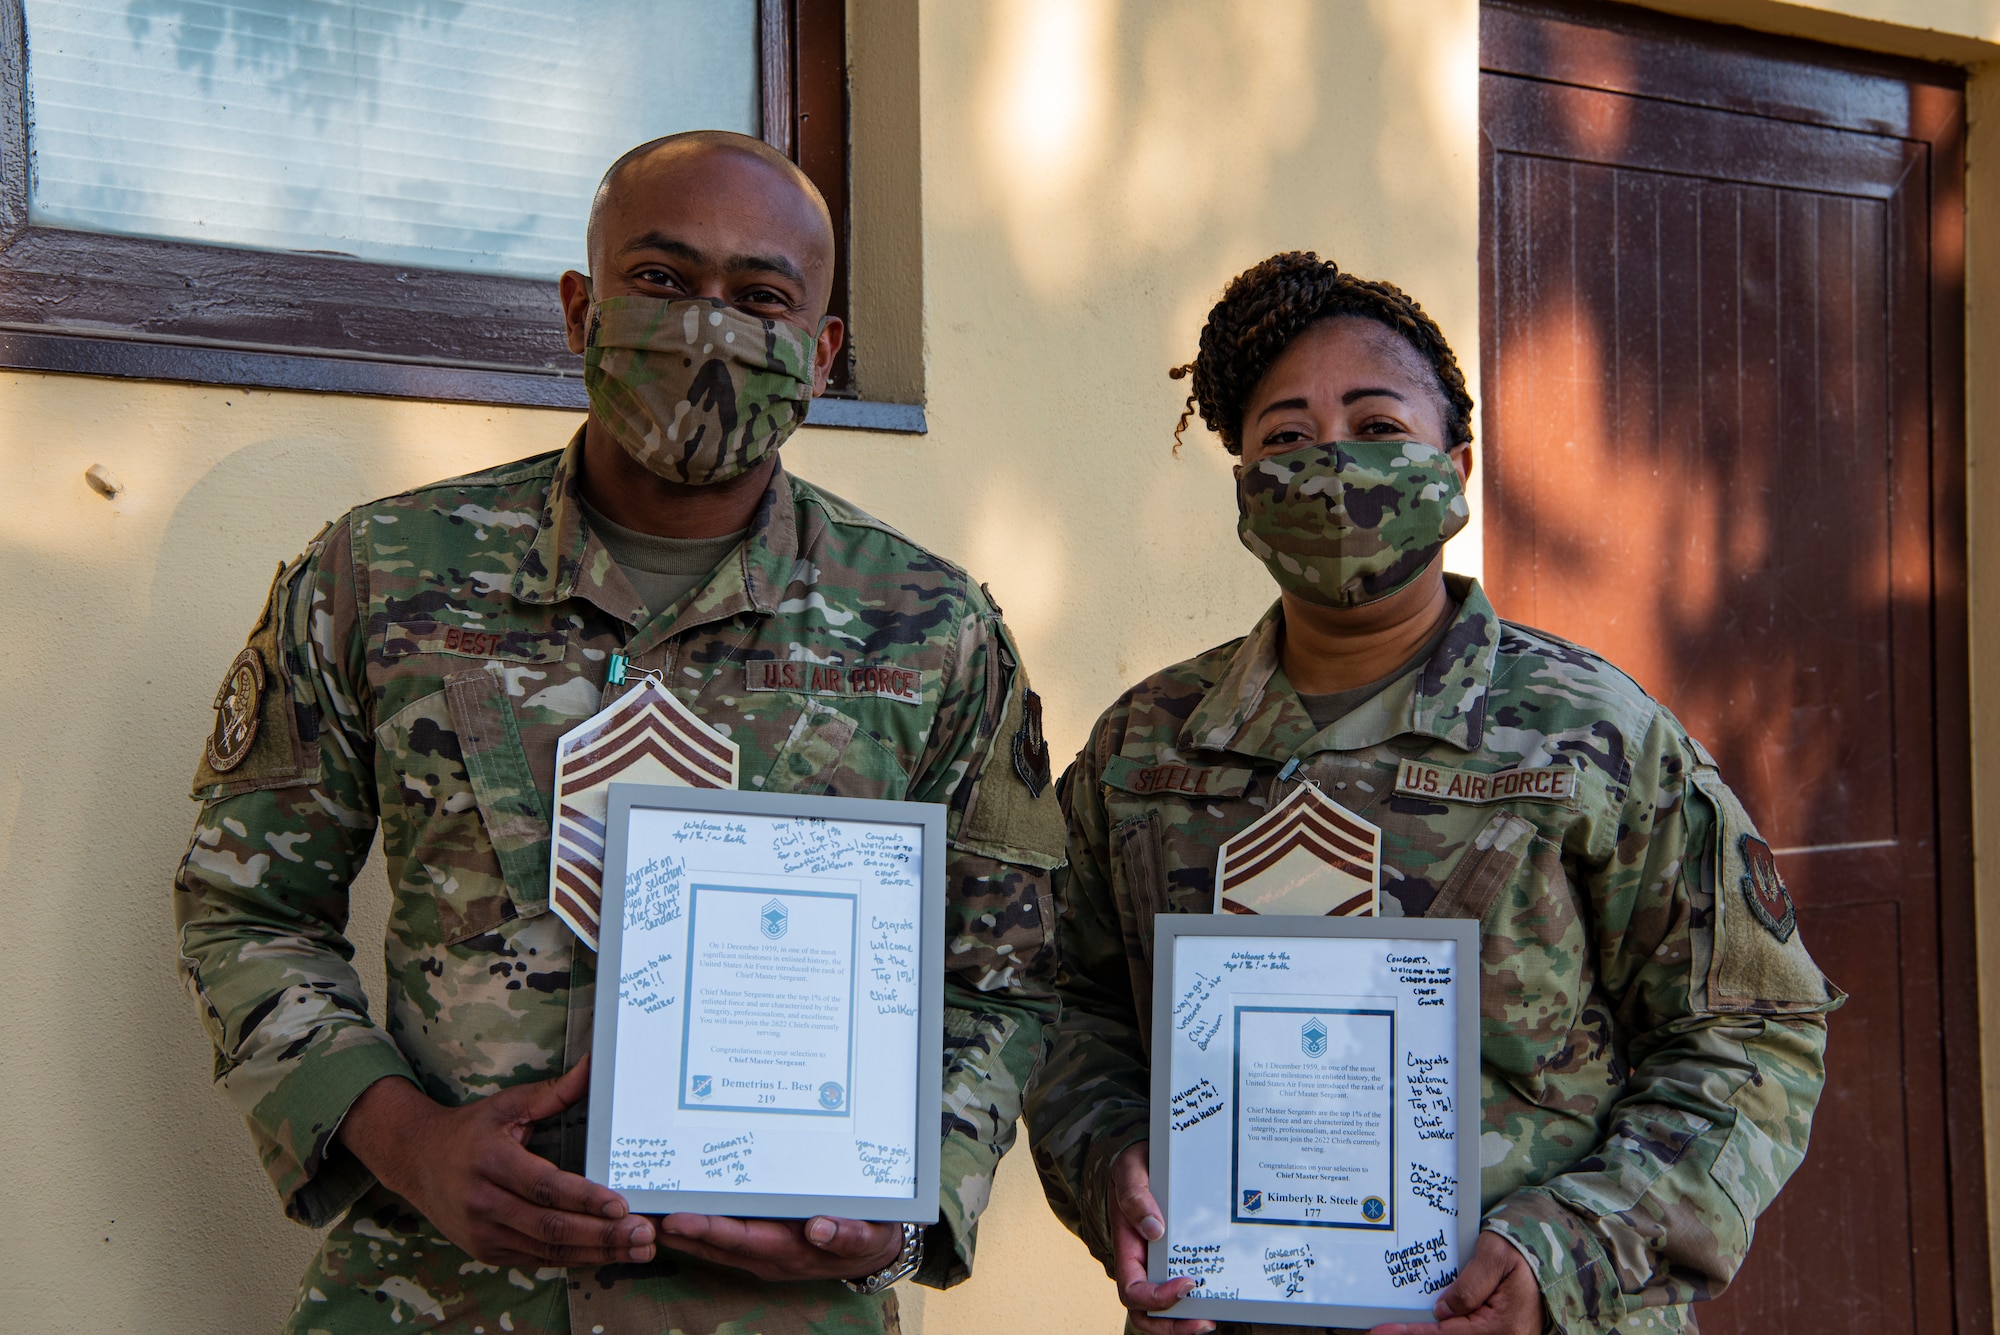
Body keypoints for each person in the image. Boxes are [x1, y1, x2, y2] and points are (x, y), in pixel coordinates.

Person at [173, 131, 1066, 1335]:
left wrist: (905, 1216)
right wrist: (405, 1138)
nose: (708, 327)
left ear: (822, 351)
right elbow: (247, 907)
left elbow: (1001, 986)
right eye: (661, 281)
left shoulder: (931, 630)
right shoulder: (379, 575)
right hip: (430, 1298)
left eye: (759, 298)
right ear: (580, 308)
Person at [1022, 252, 1837, 1335]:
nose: (1330, 465)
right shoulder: (1143, 745)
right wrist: (1108, 1158)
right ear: (1243, 490)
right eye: (1285, 439)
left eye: (1375, 427)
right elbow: (1061, 1003)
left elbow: (1749, 1038)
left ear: (1453, 464)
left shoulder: (1589, 733)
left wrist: (1560, 1252)